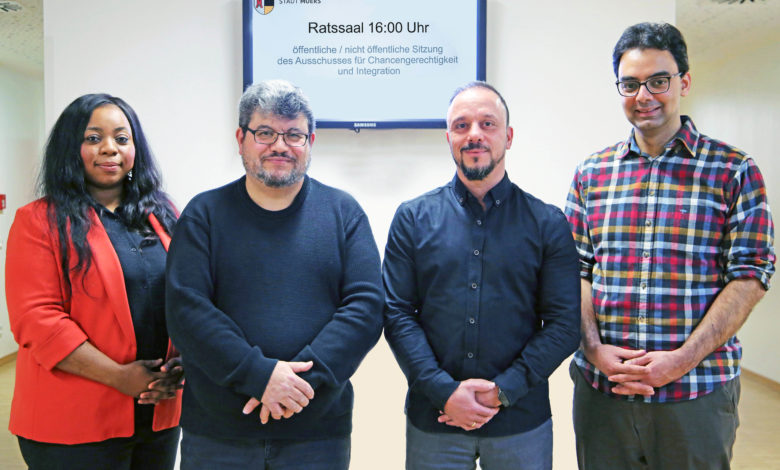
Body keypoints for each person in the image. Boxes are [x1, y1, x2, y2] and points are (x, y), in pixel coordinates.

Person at [565, 22, 775, 470]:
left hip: (697, 393)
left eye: (658, 81)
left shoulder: (733, 170)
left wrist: (681, 360)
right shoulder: (591, 174)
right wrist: (594, 348)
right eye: (630, 84)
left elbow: (751, 276)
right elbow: (573, 270)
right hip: (603, 394)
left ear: (684, 82)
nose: (644, 95)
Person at [165, 79, 383, 469]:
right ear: (241, 139)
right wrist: (260, 375)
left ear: (310, 141)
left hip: (317, 435)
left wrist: (296, 386)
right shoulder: (203, 215)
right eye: (265, 133)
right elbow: (187, 311)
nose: (280, 146)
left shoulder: (344, 213)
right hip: (218, 434)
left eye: (293, 135)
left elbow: (365, 310)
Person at [383, 81, 581, 470]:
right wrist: (443, 391)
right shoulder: (412, 219)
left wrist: (503, 390)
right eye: (462, 125)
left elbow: (564, 325)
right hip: (434, 421)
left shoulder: (547, 223)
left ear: (508, 136)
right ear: (449, 138)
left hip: (520, 422)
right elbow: (397, 314)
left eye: (487, 124)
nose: (474, 134)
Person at [5, 93, 183, 470]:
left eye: (122, 138)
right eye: (92, 138)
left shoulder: (165, 214)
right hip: (73, 422)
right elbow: (37, 320)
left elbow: (191, 295)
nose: (109, 148)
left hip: (158, 413)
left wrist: (183, 362)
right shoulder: (38, 220)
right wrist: (119, 377)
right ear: (70, 148)